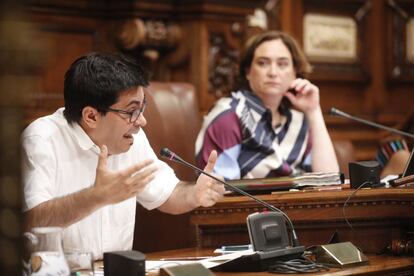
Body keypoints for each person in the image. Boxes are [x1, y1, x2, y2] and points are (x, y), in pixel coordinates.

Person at [21, 52, 225, 260]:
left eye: (142, 107)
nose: (142, 121)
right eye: (132, 111)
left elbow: (167, 194)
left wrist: (195, 194)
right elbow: (31, 221)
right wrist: (95, 196)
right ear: (91, 116)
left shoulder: (130, 138)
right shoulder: (42, 140)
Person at [196, 31, 339, 179]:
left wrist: (314, 111)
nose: (273, 72)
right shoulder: (228, 115)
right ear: (247, 71)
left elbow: (329, 181)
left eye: (282, 64)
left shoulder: (299, 122)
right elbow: (217, 192)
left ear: (295, 72)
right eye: (262, 63)